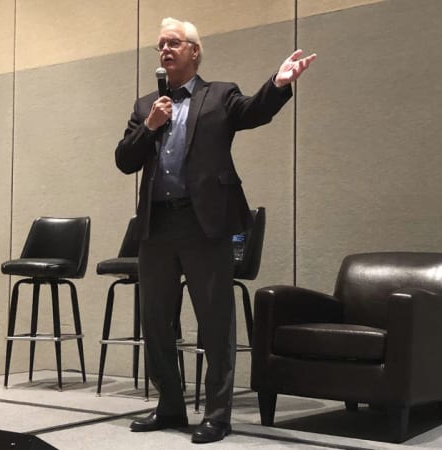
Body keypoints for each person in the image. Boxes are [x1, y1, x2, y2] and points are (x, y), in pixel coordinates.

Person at [114, 17, 315, 444]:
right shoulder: (146, 105)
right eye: (160, 46)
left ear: (194, 51)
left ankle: (218, 414)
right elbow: (124, 160)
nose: (165, 51)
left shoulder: (219, 94)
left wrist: (278, 84)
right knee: (155, 321)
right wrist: (149, 125)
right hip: (158, 224)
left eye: (173, 44)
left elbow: (253, 111)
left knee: (215, 322)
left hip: (205, 223)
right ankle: (169, 405)